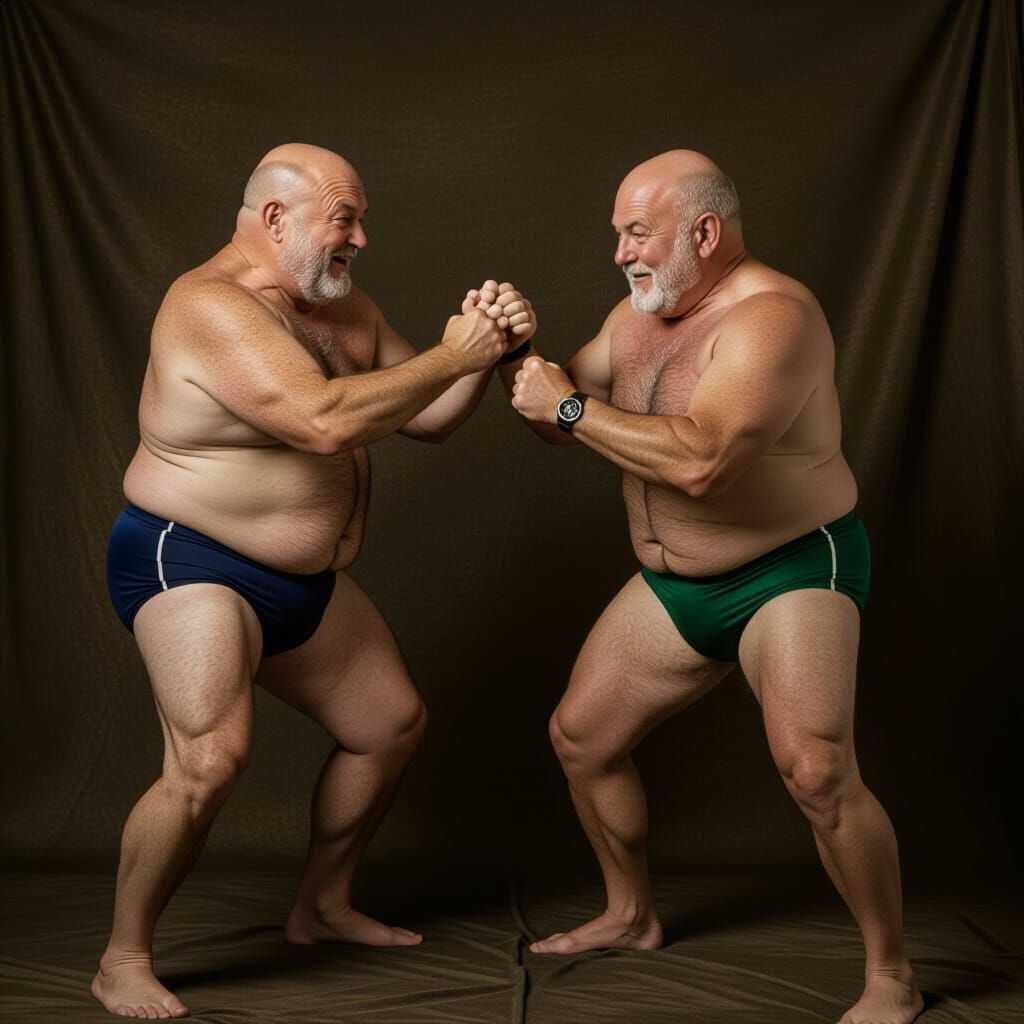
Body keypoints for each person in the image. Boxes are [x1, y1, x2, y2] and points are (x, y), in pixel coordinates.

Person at [92, 142, 535, 1019]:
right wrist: (455, 355)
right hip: (190, 558)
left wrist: (489, 347)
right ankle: (122, 956)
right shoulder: (207, 306)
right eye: (344, 217)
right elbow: (322, 422)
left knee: (389, 725)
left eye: (360, 218)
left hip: (298, 581)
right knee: (211, 758)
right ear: (274, 219)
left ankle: (322, 907)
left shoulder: (343, 308)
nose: (360, 237)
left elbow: (432, 416)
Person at [491, 150, 923, 1024]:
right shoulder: (634, 317)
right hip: (676, 586)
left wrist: (568, 407)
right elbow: (562, 418)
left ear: (704, 232)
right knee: (581, 739)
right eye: (617, 233)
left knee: (815, 768)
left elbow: (705, 465)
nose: (619, 252)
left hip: (790, 569)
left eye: (636, 231)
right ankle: (631, 913)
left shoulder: (774, 317)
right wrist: (521, 357)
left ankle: (891, 977)